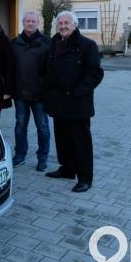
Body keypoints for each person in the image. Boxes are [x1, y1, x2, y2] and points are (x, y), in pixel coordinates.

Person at [43, 11, 104, 193]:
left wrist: (78, 92)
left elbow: (95, 73)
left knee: (81, 142)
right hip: (59, 102)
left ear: (75, 24)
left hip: (78, 103)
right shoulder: (53, 43)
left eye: (67, 23)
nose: (63, 26)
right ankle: (67, 169)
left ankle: (85, 177)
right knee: (62, 139)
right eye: (60, 23)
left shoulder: (87, 45)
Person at [10, 11, 51, 171]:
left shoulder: (46, 43)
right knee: (20, 126)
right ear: (23, 23)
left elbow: (50, 69)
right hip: (20, 94)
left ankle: (43, 158)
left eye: (33, 21)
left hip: (39, 95)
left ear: (38, 23)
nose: (30, 23)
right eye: (27, 21)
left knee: (43, 127)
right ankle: (20, 156)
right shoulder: (15, 43)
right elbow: (10, 69)